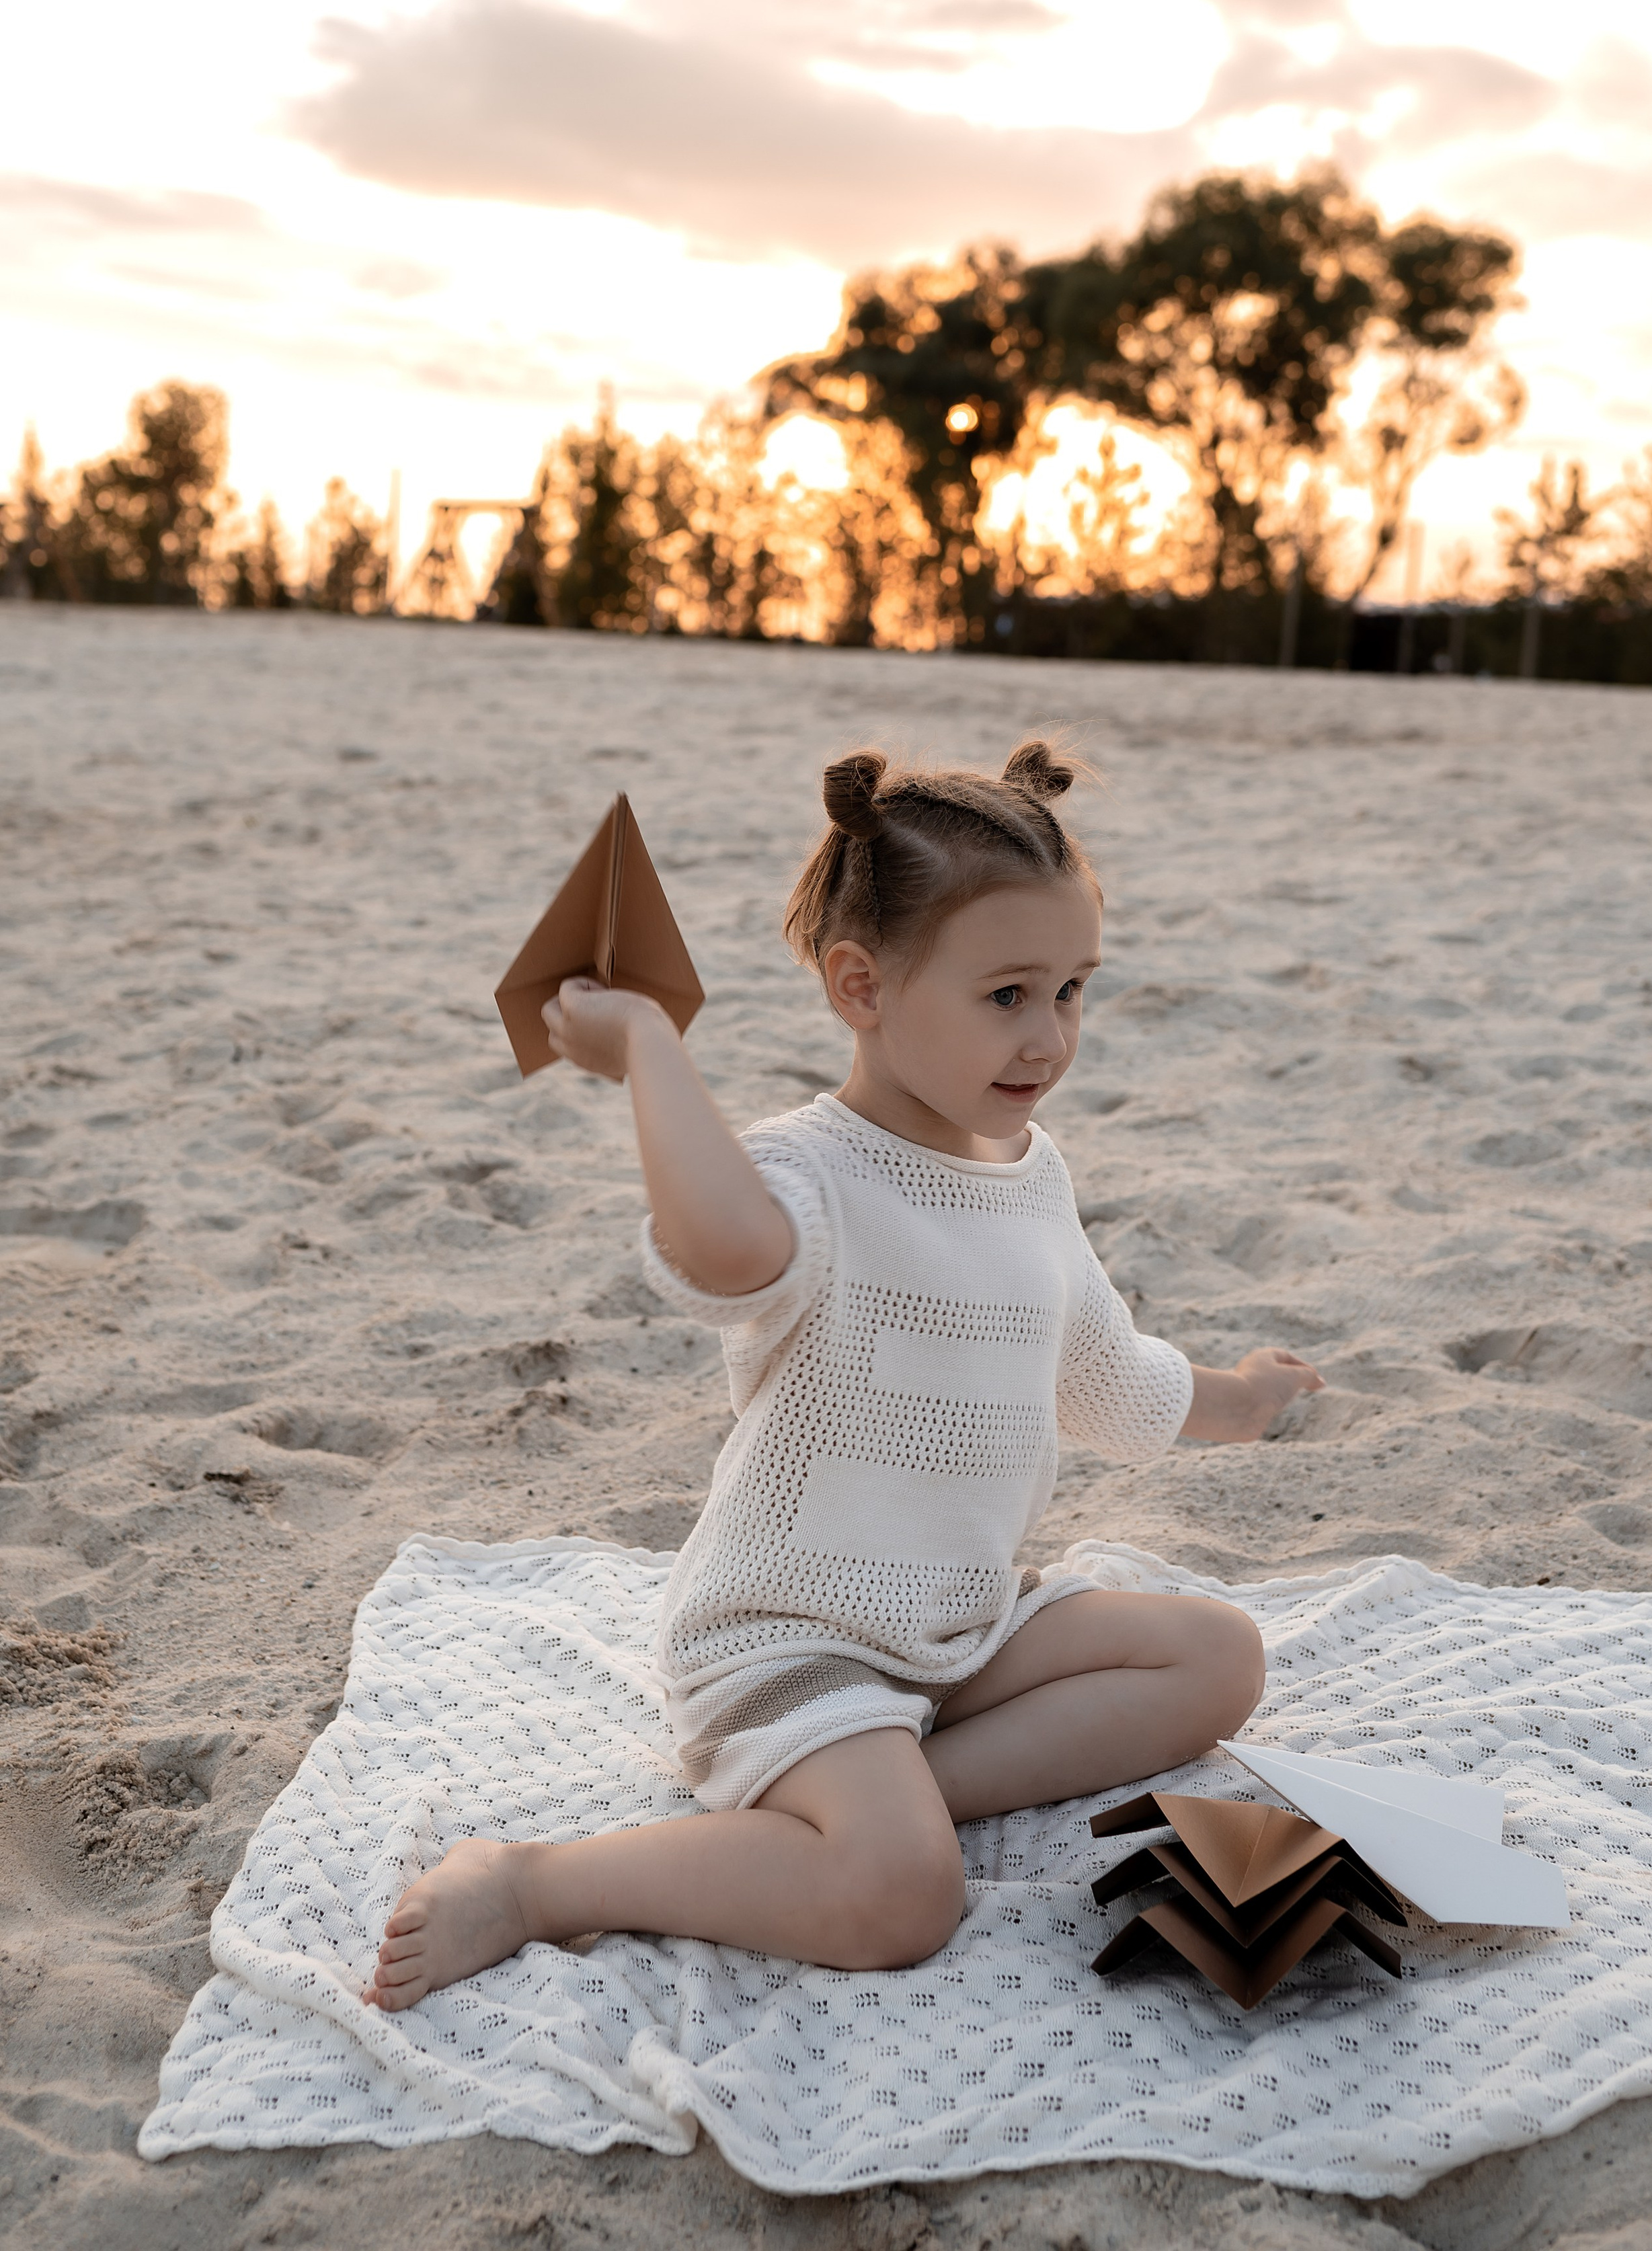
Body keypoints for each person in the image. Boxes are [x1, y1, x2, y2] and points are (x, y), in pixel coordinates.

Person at [366, 739, 1323, 2010]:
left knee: (1218, 1657)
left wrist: (1243, 1396)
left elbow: (1104, 1371)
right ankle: (543, 1880)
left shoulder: (1030, 1174)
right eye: (1007, 995)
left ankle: (899, 1785)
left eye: (1073, 990)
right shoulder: (811, 1172)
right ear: (860, 985)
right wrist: (652, 1053)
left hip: (957, 1624)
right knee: (899, 1897)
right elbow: (730, 1247)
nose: (1049, 1036)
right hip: (795, 1636)